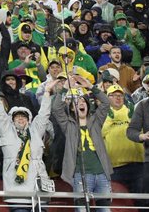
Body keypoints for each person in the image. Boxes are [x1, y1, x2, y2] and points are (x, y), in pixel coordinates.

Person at [0, 77, 53, 211]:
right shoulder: (6, 131)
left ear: (29, 120)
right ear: (12, 120)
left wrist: (46, 93)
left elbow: (44, 114)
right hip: (16, 188)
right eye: (17, 116)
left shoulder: (35, 130)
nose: (21, 118)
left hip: (38, 185)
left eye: (23, 116)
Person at [52, 79, 112, 212]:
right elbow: (56, 108)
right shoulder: (68, 125)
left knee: (105, 210)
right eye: (77, 102)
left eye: (84, 101)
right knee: (82, 209)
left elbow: (106, 102)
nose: (81, 103)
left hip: (102, 173)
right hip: (81, 175)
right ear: (72, 108)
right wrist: (64, 89)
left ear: (88, 106)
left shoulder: (96, 121)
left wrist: (91, 86)